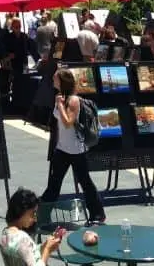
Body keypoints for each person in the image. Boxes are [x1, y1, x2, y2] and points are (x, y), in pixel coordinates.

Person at [41, 68, 106, 224]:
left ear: (62, 81)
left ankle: (98, 215)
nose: (52, 80)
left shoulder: (74, 100)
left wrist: (61, 105)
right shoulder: (60, 97)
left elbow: (68, 123)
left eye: (55, 78)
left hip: (77, 150)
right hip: (62, 149)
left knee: (85, 183)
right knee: (54, 183)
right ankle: (42, 216)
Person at [0, 187, 63, 266]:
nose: (35, 219)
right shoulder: (22, 238)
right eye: (33, 213)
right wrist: (47, 249)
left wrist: (45, 245)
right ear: (21, 211)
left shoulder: (6, 234)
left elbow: (27, 254)